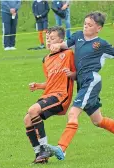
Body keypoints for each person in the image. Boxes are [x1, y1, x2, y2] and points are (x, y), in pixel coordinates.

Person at [36, 11, 114, 162]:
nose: (85, 27)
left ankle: (61, 149)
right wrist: (55, 45)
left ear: (98, 28)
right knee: (98, 120)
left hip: (91, 81)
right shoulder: (77, 37)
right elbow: (63, 45)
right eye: (84, 24)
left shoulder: (101, 44)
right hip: (82, 82)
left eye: (89, 25)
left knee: (73, 114)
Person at [23, 26, 76, 164]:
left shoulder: (69, 54)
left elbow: (77, 73)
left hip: (61, 95)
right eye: (47, 38)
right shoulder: (45, 59)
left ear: (61, 40)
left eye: (52, 38)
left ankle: (45, 149)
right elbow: (50, 82)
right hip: (49, 94)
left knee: (33, 110)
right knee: (27, 119)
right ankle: (40, 156)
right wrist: (38, 86)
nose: (49, 41)